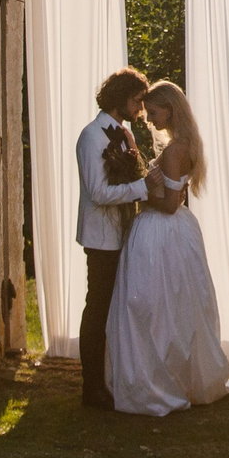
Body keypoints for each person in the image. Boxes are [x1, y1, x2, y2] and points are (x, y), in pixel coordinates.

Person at [103, 81, 229, 417]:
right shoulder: (181, 145)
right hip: (172, 231)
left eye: (153, 112)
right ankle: (172, 374)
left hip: (161, 232)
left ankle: (158, 379)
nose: (148, 118)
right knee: (168, 304)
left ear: (170, 109)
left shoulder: (177, 150)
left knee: (153, 305)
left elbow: (170, 204)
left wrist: (139, 192)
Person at [76, 67, 153, 411]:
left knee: (112, 309)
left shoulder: (123, 134)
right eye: (137, 101)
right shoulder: (91, 137)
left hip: (122, 232)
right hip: (101, 237)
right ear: (120, 98)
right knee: (97, 310)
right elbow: (98, 193)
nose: (140, 108)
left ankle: (112, 379)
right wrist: (143, 188)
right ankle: (91, 387)